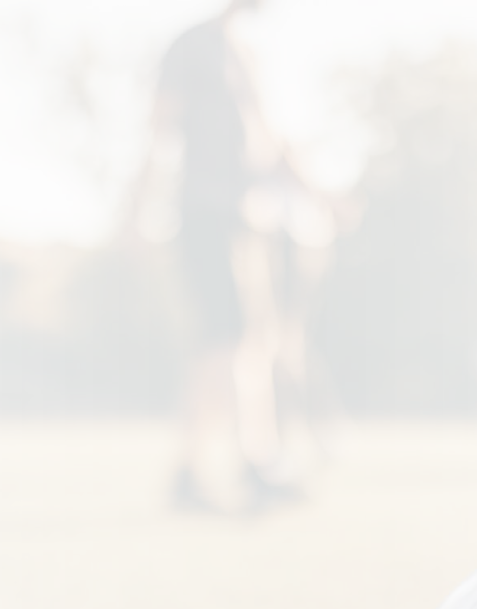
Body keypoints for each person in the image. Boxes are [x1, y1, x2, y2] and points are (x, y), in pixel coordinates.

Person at [120, 0, 356, 514]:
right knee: (236, 340)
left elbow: (269, 141)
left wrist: (321, 196)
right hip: (207, 214)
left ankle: (186, 473)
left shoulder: (247, 54)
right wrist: (135, 214)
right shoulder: (192, 46)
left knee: (220, 348)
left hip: (254, 219)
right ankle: (259, 460)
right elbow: (158, 132)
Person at [263, 174, 360, 463]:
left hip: (289, 237)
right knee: (275, 345)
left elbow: (282, 154)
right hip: (282, 235)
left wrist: (325, 198)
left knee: (280, 343)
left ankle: (299, 436)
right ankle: (290, 438)